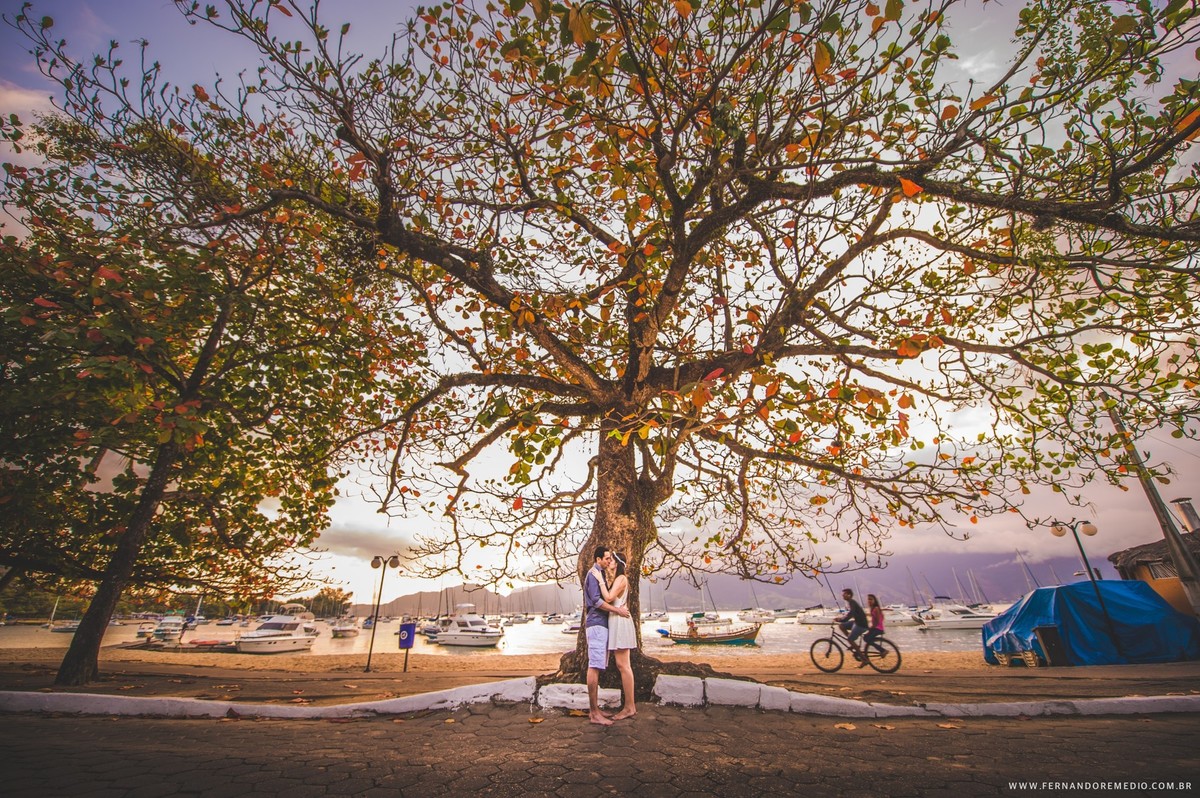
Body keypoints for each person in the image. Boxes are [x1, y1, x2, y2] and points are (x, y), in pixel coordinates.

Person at [583, 545, 629, 726]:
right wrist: (617, 610)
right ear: (598, 559)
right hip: (596, 625)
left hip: (601, 625)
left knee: (598, 665)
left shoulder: (600, 575)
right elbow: (597, 601)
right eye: (607, 558)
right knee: (594, 666)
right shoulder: (594, 575)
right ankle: (594, 713)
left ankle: (596, 710)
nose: (610, 561)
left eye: (611, 559)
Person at [600, 552, 638, 720]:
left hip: (620, 622)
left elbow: (608, 598)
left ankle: (630, 707)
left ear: (618, 563)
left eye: (612, 560)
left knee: (624, 666)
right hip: (618, 620)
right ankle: (630, 706)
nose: (609, 562)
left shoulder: (620, 578)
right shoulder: (619, 579)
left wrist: (599, 581)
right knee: (623, 665)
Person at [834, 588, 868, 659]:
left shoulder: (852, 602)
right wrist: (841, 619)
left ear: (849, 595)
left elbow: (851, 614)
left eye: (844, 594)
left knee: (850, 639)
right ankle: (853, 643)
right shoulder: (850, 602)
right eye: (842, 594)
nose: (842, 595)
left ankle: (864, 659)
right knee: (842, 626)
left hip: (861, 624)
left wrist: (841, 619)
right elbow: (849, 614)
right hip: (857, 622)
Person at [861, 593, 885, 668]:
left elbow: (878, 620)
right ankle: (865, 658)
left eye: (871, 599)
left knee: (866, 638)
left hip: (878, 629)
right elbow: (875, 618)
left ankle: (882, 650)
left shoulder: (876, 609)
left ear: (874, 600)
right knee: (866, 637)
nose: (869, 601)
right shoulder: (872, 609)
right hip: (876, 628)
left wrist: (872, 627)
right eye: (868, 599)